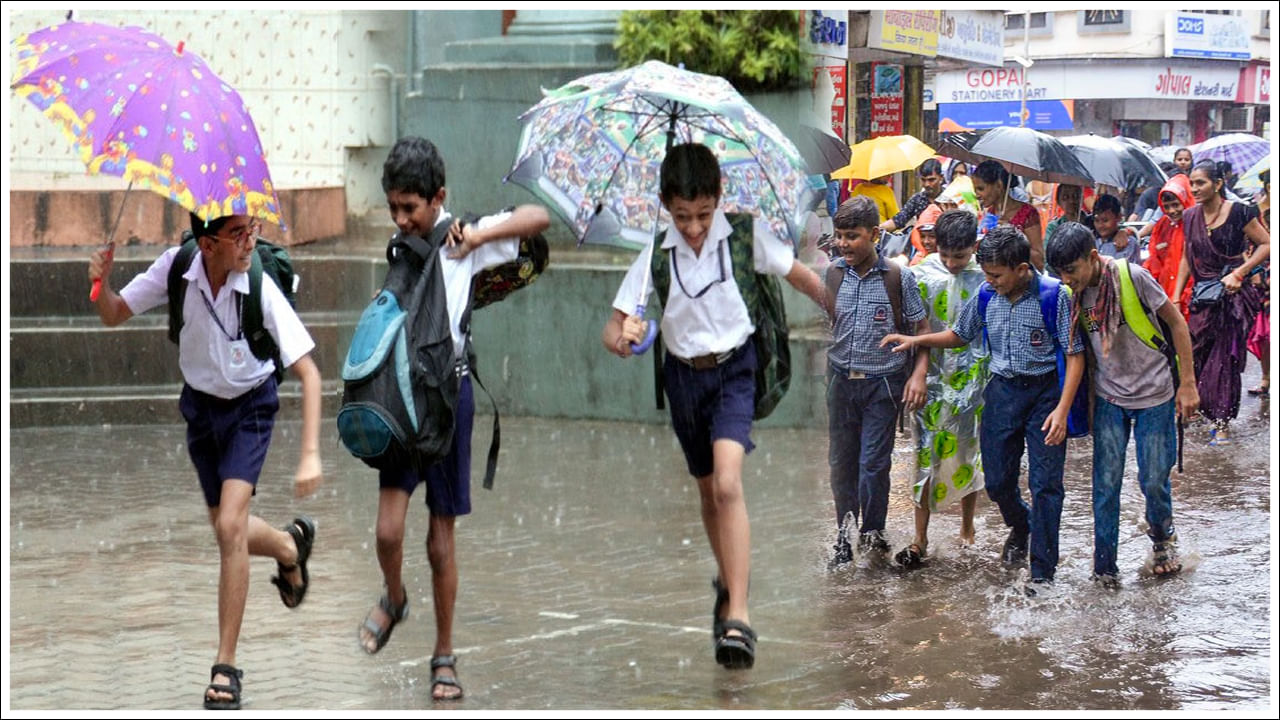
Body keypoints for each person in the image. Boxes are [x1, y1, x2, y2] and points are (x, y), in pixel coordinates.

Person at [604, 142, 826, 670]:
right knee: (707, 491)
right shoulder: (655, 253)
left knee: (728, 483)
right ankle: (727, 581)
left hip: (736, 371)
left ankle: (740, 615)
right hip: (683, 379)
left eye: (703, 214)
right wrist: (624, 336)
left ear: (718, 200)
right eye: (682, 216)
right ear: (665, 204)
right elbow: (612, 329)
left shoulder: (745, 237)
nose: (695, 227)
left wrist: (851, 309)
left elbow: (801, 275)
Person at [89, 213, 324, 710]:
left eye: (252, 230)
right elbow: (113, 314)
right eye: (238, 235)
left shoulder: (257, 282)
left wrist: (309, 454)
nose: (249, 242)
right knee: (223, 525)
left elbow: (309, 373)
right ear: (208, 244)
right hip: (200, 410)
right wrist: (101, 282)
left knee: (231, 525)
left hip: (251, 407)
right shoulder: (177, 268)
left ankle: (226, 666)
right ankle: (288, 546)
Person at [356, 136, 551, 701]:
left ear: (438, 198)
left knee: (441, 540)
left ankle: (444, 653)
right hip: (398, 402)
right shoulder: (400, 246)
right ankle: (394, 598)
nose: (400, 219)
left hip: (448, 403)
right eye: (393, 207)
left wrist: (481, 235)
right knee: (387, 531)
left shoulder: (462, 238)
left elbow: (537, 218)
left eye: (410, 208)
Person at [882, 226, 1084, 593]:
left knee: (1045, 484)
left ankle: (1042, 575)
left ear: (1022, 269)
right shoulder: (987, 295)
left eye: (996, 275)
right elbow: (959, 334)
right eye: (987, 275)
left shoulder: (1055, 296)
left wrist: (1063, 408)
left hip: (1044, 395)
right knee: (996, 480)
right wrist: (916, 339)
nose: (989, 281)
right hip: (1002, 392)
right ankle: (1021, 525)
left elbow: (1074, 355)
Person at [1047, 222, 1200, 583]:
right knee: (1105, 485)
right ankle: (1105, 567)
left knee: (1153, 479)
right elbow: (1077, 352)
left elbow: (1177, 324)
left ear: (1093, 258)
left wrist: (1188, 384)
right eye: (1060, 273)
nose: (1066, 279)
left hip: (1155, 395)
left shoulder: (1134, 278)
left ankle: (1162, 539)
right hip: (1109, 398)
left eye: (1071, 270)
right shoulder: (1072, 294)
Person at [823, 195, 930, 569]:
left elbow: (921, 329)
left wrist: (918, 374)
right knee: (841, 463)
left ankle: (872, 532)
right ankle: (843, 537)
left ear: (873, 234)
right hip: (840, 382)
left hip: (883, 385)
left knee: (873, 464)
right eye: (839, 236)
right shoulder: (832, 273)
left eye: (852, 236)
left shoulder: (899, 278)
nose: (843, 243)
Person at [890, 209, 989, 568]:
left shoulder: (987, 276)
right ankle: (920, 539)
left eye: (959, 256)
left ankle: (966, 529)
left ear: (974, 247)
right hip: (929, 378)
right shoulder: (920, 274)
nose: (951, 263)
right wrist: (915, 374)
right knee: (924, 454)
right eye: (945, 254)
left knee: (968, 452)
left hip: (974, 379)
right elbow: (917, 326)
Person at [1173, 160, 1271, 445]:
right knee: (1197, 356)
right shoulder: (1190, 216)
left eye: (1201, 183)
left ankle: (1222, 422)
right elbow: (1186, 257)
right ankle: (1200, 410)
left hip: (1231, 299)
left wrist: (1240, 272)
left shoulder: (1239, 211)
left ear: (1217, 184)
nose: (1195, 189)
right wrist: (1177, 294)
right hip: (1203, 298)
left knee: (1223, 361)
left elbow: (1267, 244)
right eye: (1192, 184)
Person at [972, 160, 1046, 271]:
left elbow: (1039, 261)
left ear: (998, 185)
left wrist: (1013, 237)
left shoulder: (1028, 213)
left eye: (981, 189)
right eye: (975, 189)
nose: (977, 195)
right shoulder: (989, 215)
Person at [1142, 173, 1195, 313]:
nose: (1172, 211)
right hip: (1165, 295)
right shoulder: (1162, 225)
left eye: (1175, 205)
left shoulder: (1196, 224)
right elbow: (1153, 259)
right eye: (1166, 206)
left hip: (1190, 296)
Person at [1244, 169, 1269, 399]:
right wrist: (1252, 269)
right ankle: (1266, 377)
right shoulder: (1256, 213)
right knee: (1265, 332)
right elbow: (1249, 245)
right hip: (1265, 277)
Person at [880, 158, 945, 233]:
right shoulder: (917, 199)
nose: (927, 184)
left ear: (941, 178)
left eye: (931, 180)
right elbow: (899, 219)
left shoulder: (950, 198)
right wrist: (878, 229)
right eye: (923, 180)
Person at [1091, 193, 1141, 264]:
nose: (1100, 225)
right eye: (1096, 220)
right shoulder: (1090, 240)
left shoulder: (1128, 243)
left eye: (1105, 220)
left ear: (1119, 217)